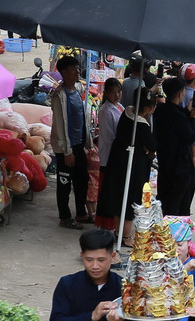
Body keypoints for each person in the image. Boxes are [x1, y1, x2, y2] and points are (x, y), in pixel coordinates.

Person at [95, 89, 157, 242]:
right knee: (130, 200)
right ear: (148, 108)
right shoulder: (141, 124)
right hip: (133, 167)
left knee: (118, 197)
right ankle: (126, 236)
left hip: (117, 162)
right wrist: (148, 148)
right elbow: (152, 145)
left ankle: (119, 231)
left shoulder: (127, 112)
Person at [50, 55, 91, 230]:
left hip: (79, 144)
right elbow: (60, 124)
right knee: (65, 182)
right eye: (74, 69)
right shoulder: (60, 96)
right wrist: (67, 152)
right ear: (65, 73)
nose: (77, 71)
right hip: (66, 147)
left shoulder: (77, 89)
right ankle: (65, 217)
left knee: (82, 179)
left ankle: (81, 212)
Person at [154, 77, 195, 216]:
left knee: (166, 199)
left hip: (165, 162)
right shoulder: (178, 116)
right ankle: (176, 231)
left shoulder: (160, 109)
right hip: (179, 167)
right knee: (178, 203)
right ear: (181, 94)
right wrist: (194, 120)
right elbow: (189, 136)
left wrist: (187, 112)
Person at [96, 76, 123, 193]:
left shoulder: (119, 106)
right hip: (109, 155)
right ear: (106, 93)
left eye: (119, 91)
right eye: (113, 92)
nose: (117, 95)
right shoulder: (105, 111)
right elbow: (109, 137)